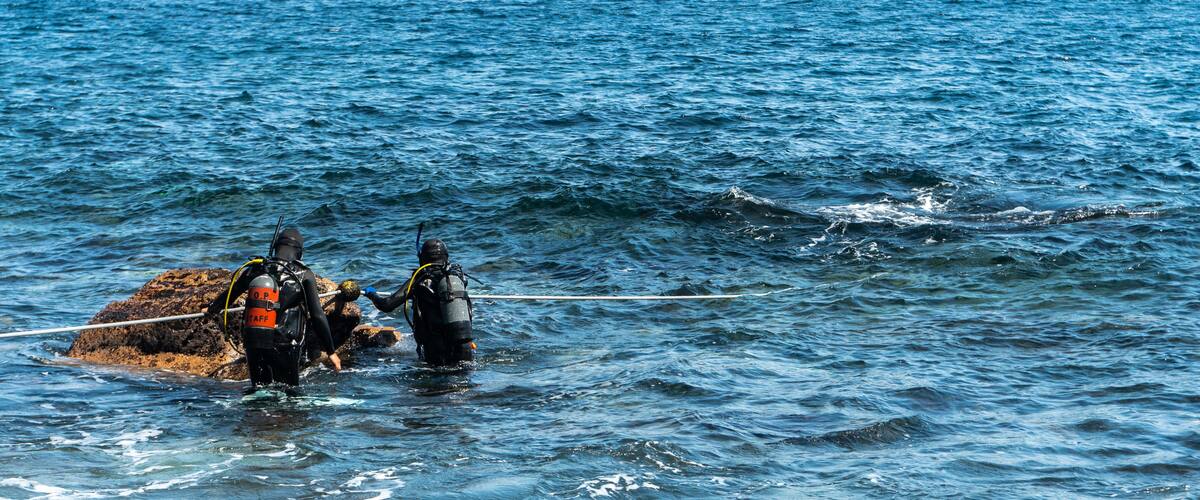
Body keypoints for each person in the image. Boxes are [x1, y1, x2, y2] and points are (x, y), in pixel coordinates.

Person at [205, 227, 342, 392]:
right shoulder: (303, 274)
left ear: (276, 247)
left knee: (259, 390)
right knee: (288, 393)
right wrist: (331, 352)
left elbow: (229, 295)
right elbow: (317, 315)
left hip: (254, 342)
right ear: (299, 252)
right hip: (285, 344)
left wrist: (212, 308)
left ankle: (256, 417)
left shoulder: (255, 269)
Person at [363, 239, 475, 366]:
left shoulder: (419, 280)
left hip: (436, 354)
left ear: (422, 259)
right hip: (465, 349)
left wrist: (371, 294)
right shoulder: (457, 278)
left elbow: (387, 305)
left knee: (436, 384)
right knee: (462, 382)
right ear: (446, 257)